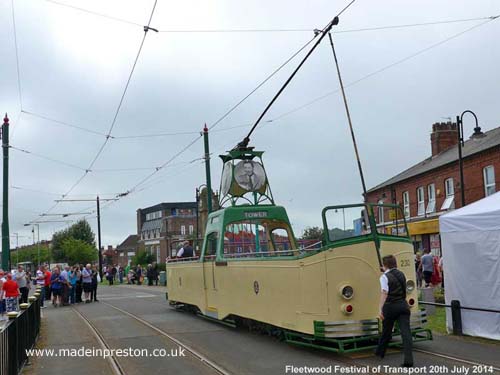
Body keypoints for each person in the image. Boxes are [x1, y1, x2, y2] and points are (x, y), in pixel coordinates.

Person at [375, 255, 413, 367]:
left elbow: (384, 292)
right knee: (406, 333)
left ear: (384, 265)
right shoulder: (401, 274)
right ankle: (408, 360)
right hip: (403, 306)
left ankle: (380, 353)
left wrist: (380, 309)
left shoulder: (384, 277)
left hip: (390, 307)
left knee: (386, 331)